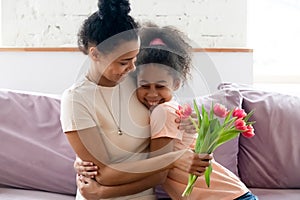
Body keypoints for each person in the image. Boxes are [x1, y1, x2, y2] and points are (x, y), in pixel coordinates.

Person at [75, 23, 259, 200]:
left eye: (160, 86)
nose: (152, 93)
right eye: (145, 86)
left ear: (176, 84)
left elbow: (158, 171)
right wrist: (82, 162)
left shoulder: (164, 112)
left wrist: (101, 193)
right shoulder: (152, 113)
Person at [60, 0, 212, 199]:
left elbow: (158, 174)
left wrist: (188, 125)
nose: (132, 68)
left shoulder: (137, 83)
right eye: (124, 61)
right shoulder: (75, 100)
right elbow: (105, 174)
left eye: (135, 58)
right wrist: (172, 159)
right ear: (95, 54)